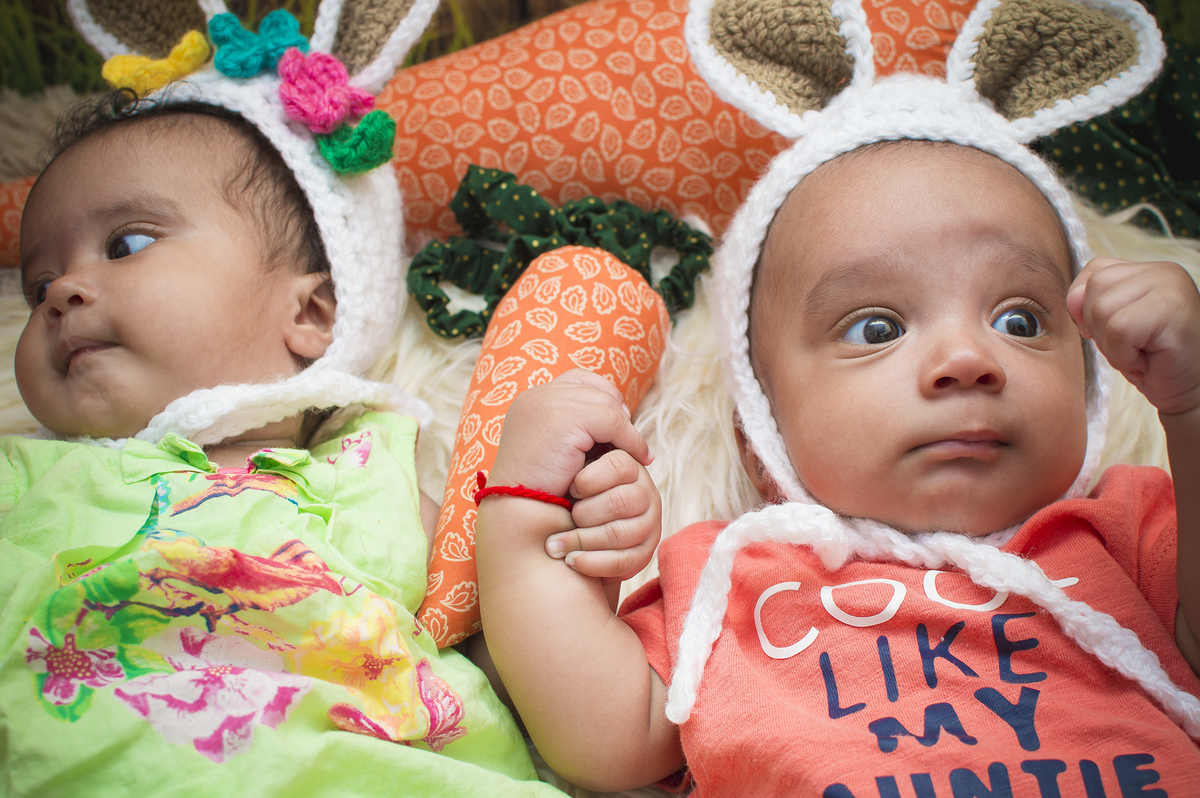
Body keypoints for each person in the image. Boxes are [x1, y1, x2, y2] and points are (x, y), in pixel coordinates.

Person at [473, 0, 1200, 795]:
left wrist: (1190, 407)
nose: (966, 358)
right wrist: (522, 512)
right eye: (876, 327)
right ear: (761, 431)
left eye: (1020, 319)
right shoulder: (737, 577)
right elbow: (603, 740)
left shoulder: (1127, 534)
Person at [0, 10, 651, 792]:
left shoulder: (374, 466)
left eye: (127, 244)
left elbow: (523, 671)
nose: (62, 293)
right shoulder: (22, 480)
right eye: (36, 286)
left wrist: (541, 511)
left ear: (310, 315)